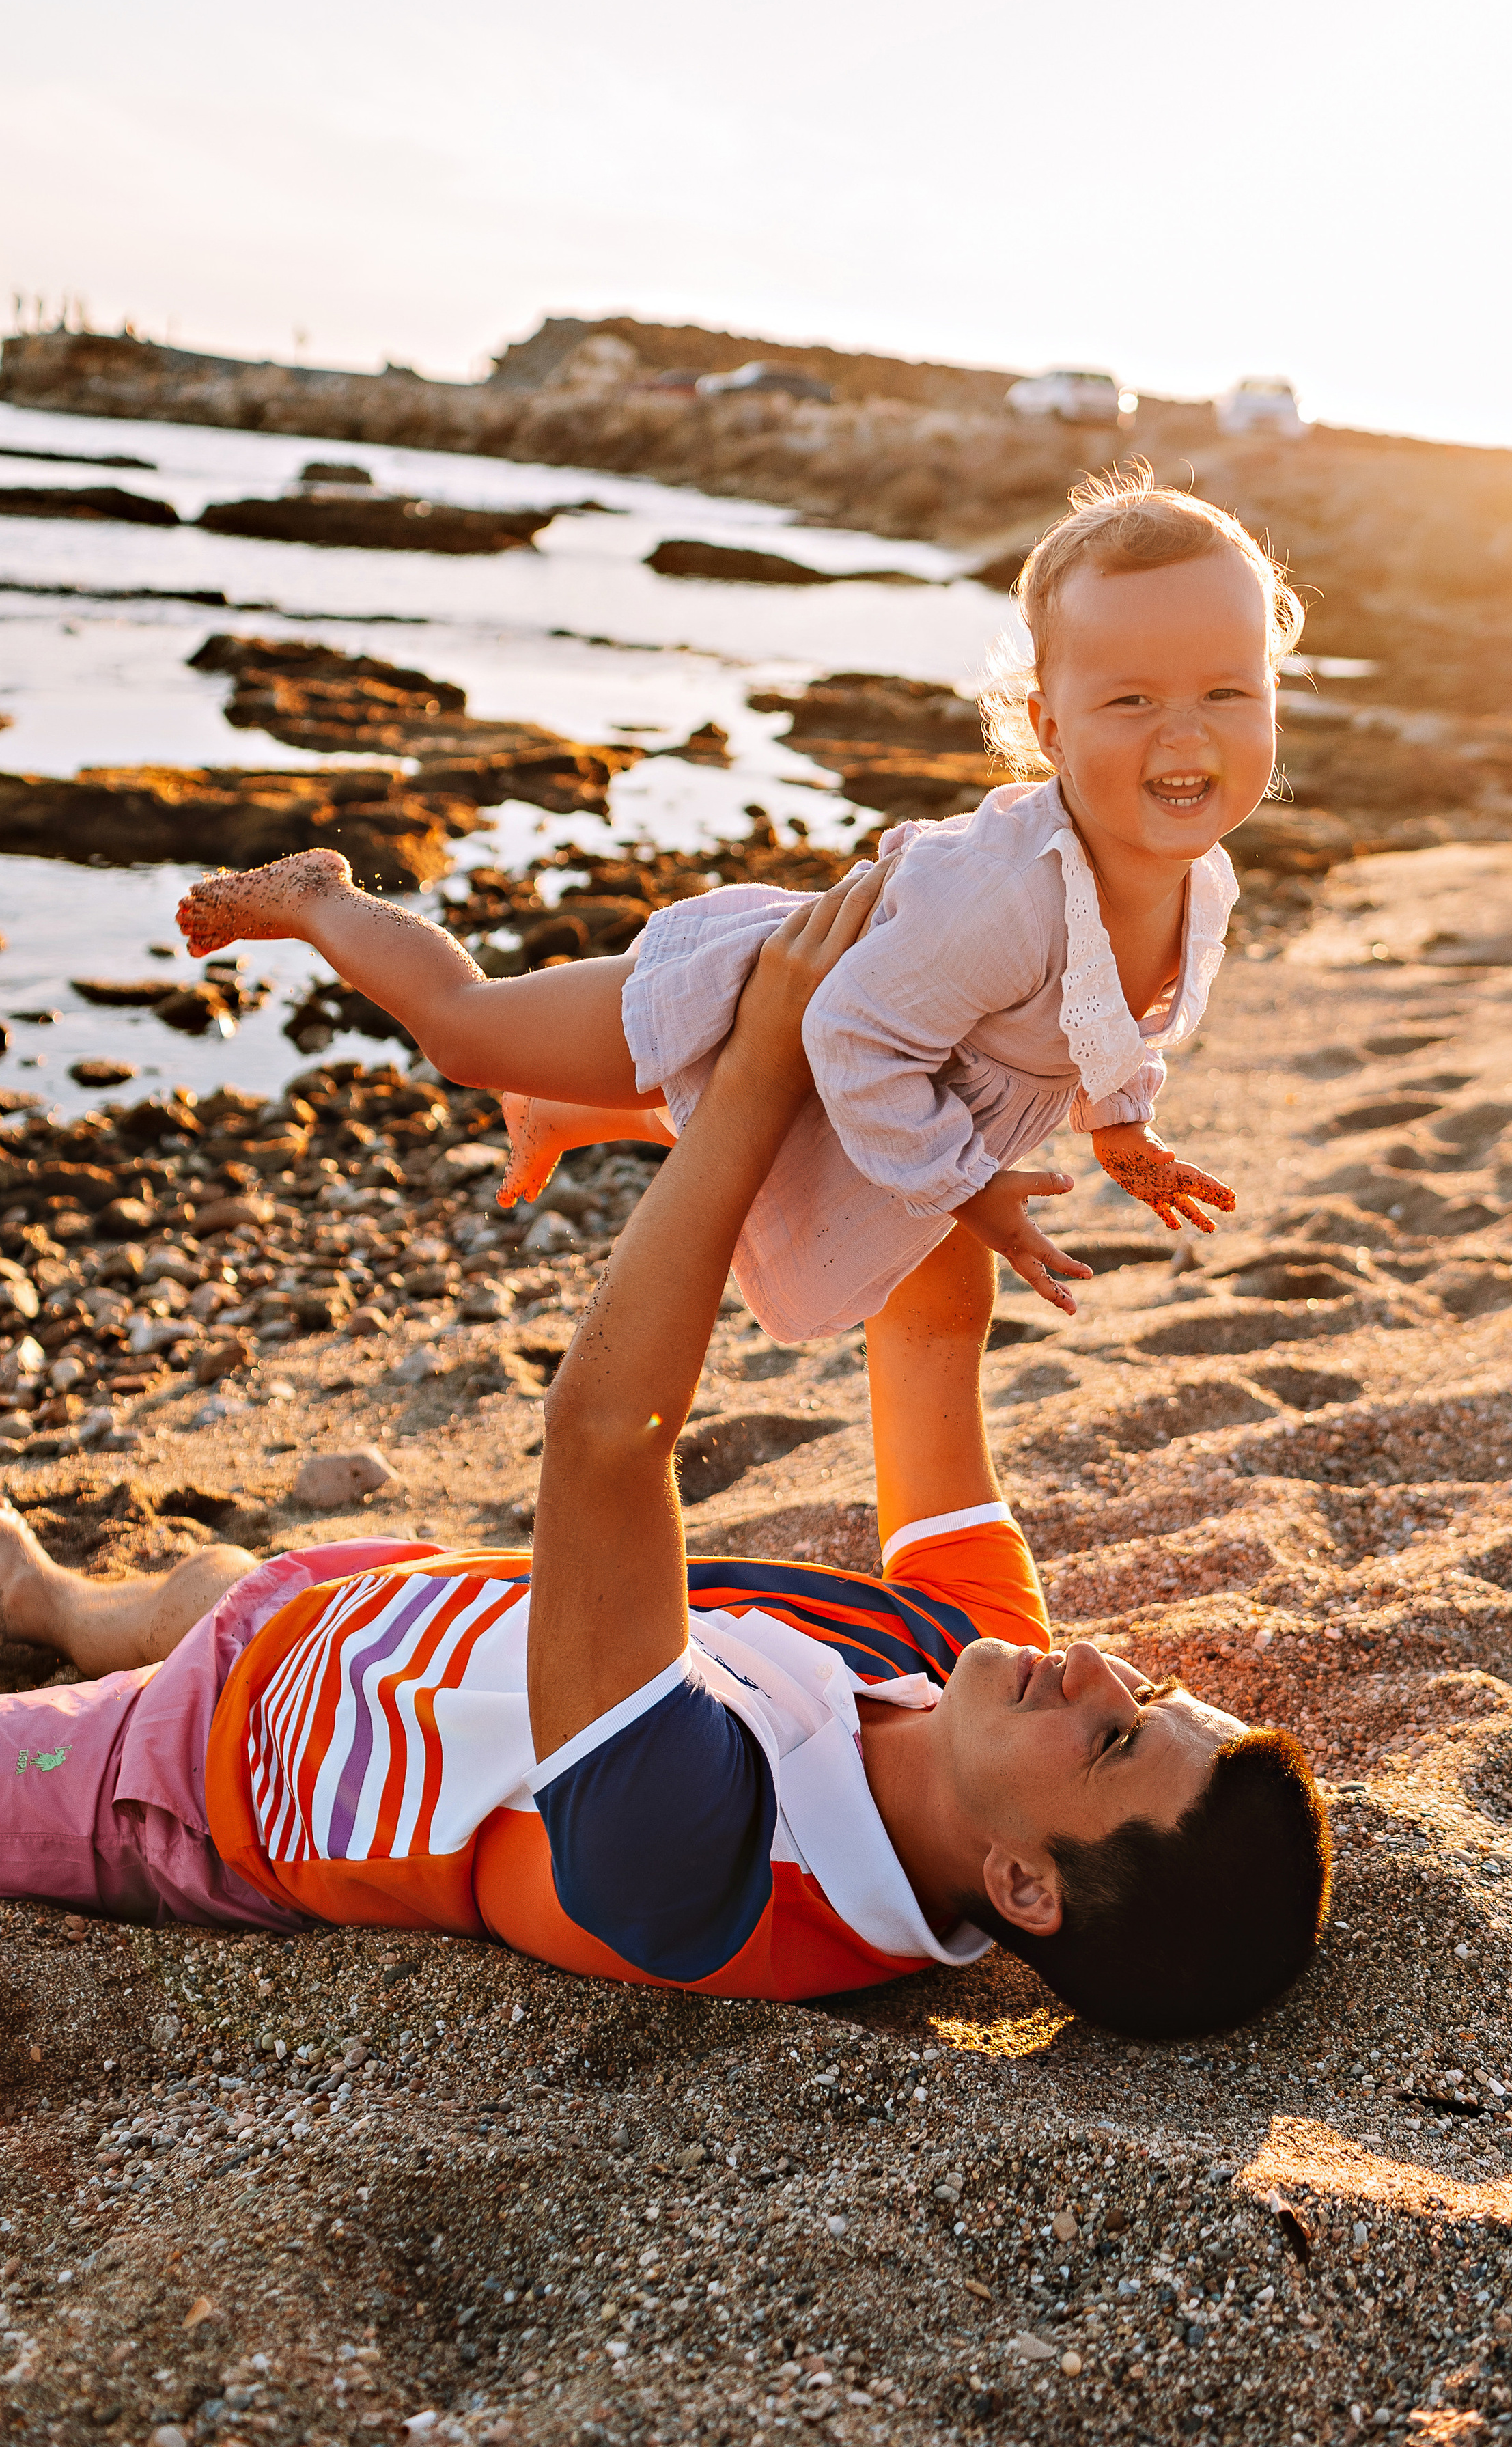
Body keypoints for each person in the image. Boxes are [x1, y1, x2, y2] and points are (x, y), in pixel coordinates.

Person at [0, 871, 1329, 2035]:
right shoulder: (958, 1668)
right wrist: (920, 1034)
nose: (1095, 1668)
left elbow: (600, 1443)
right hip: (387, 1606)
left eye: (1109, 1743)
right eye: (1142, 1694)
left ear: (1023, 1887)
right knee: (192, 1591)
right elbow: (926, 1333)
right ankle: (46, 1597)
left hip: (205, 1777)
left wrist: (752, 1075)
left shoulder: (710, 1865)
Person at [176, 467, 1300, 1344]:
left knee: (765, 1152)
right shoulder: (1003, 902)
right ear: (1049, 728)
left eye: (1227, 690)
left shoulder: (1201, 876)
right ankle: (324, 900)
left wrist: (1125, 1125)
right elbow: (846, 1033)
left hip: (877, 1068)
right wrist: (972, 1192)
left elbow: (1104, 1017)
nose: (1186, 732)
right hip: (771, 998)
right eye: (1132, 699)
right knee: (471, 1036)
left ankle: (570, 1113)